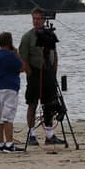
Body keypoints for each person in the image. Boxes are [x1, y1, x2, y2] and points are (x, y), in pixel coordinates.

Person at [18, 8, 65, 146]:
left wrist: (54, 71)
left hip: (48, 73)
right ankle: (31, 134)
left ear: (44, 20)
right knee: (32, 103)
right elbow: (23, 58)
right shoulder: (27, 37)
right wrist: (29, 73)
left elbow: (54, 54)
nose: (36, 21)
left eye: (38, 18)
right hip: (34, 73)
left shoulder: (49, 34)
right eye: (34, 18)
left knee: (50, 104)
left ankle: (50, 135)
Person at [0, 31, 24, 153]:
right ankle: (9, 144)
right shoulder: (11, 55)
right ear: (10, 42)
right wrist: (17, 54)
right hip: (9, 88)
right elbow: (22, 67)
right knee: (8, 117)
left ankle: (0, 143)